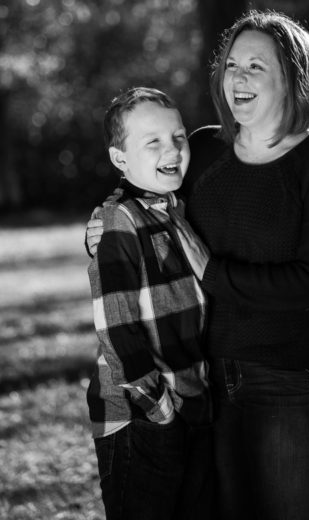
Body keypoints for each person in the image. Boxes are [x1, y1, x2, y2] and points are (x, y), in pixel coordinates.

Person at [87, 11, 309, 520]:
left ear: (293, 75)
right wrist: (102, 224)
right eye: (232, 64)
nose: (239, 76)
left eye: (257, 65)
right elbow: (147, 187)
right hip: (210, 381)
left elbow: (307, 286)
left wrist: (213, 273)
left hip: (294, 379)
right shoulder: (207, 148)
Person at [86, 86, 213, 520]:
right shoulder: (118, 222)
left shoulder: (175, 208)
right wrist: (159, 411)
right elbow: (117, 328)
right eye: (152, 141)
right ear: (120, 160)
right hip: (141, 416)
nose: (173, 149)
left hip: (189, 403)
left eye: (178, 137)